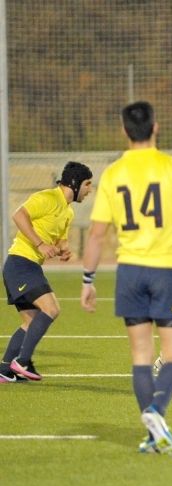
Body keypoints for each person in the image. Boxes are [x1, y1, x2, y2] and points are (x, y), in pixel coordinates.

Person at [80, 101, 172, 455]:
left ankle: (153, 433)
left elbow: (97, 234)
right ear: (155, 127)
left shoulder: (114, 173)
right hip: (165, 271)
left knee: (141, 355)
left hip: (129, 272)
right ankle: (157, 414)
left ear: (123, 130)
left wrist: (88, 279)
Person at [0, 162, 93, 383]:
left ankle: (4, 369)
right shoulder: (48, 198)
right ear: (75, 183)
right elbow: (19, 216)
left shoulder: (67, 212)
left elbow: (60, 239)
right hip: (20, 263)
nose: (90, 189)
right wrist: (40, 244)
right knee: (51, 308)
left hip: (27, 266)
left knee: (30, 321)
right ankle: (22, 362)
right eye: (88, 184)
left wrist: (64, 249)